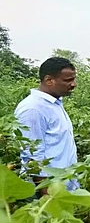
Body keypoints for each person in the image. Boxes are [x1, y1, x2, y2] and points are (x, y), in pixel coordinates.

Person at [14, 57, 80, 195]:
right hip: (47, 193)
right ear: (49, 80)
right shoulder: (33, 108)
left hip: (63, 187)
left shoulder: (54, 104)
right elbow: (33, 157)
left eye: (73, 79)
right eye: (68, 80)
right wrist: (48, 198)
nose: (74, 84)